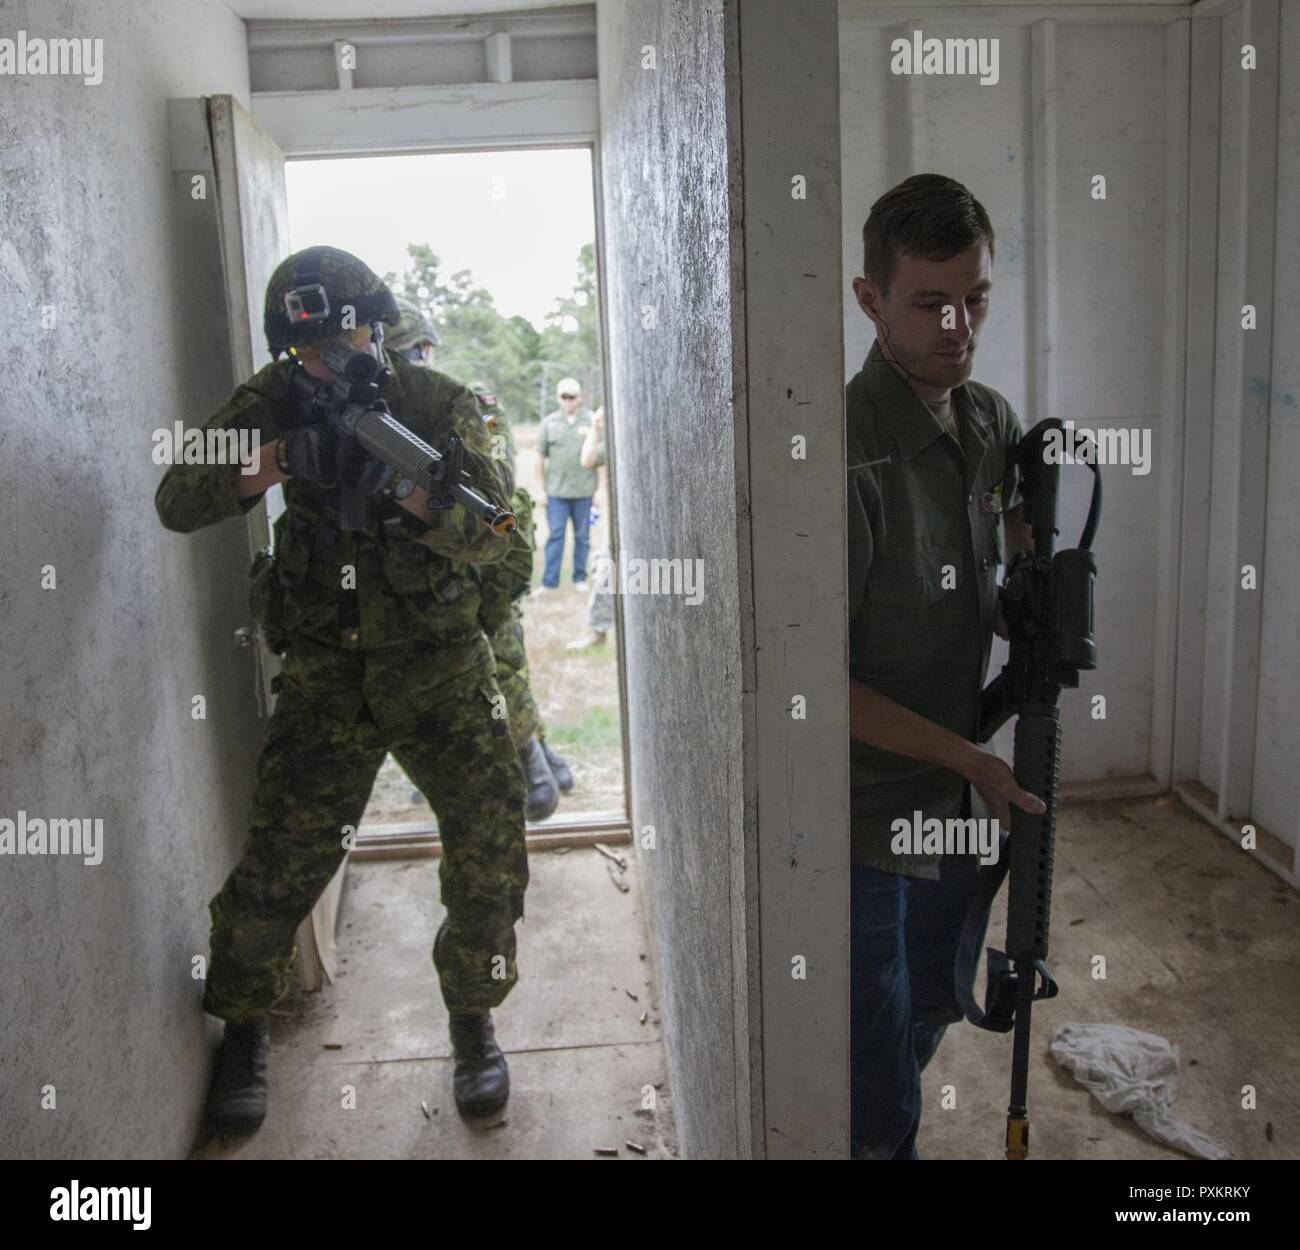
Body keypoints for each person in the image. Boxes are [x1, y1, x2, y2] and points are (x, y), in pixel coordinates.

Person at [155, 246, 527, 1134]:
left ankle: (473, 1021)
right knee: (279, 869)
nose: (331, 363)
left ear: (377, 326)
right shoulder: (272, 400)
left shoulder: (435, 404)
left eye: (347, 340)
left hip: (439, 669)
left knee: (488, 855)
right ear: (292, 351)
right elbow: (178, 497)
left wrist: (410, 493)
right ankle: (244, 1025)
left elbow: (500, 535)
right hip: (328, 675)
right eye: (311, 353)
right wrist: (277, 460)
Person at [845, 175, 1046, 1159]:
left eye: (977, 297)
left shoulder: (988, 422)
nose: (958, 324)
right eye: (930, 301)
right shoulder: (842, 460)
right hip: (865, 810)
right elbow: (820, 687)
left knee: (931, 1002)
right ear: (869, 299)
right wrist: (973, 760)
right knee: (873, 1090)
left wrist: (1038, 571)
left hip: (955, 797)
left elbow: (1012, 548)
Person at [537, 377, 598, 590]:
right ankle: (549, 582)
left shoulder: (591, 421)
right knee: (555, 536)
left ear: (579, 398)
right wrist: (541, 490)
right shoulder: (549, 423)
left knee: (582, 537)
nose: (568, 401)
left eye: (572, 397)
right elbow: (540, 458)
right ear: (558, 398)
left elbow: (600, 457)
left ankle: (580, 578)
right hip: (556, 493)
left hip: (584, 491)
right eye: (564, 397)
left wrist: (600, 492)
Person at [567, 405, 613, 651]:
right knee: (606, 568)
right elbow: (588, 460)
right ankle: (598, 631)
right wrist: (596, 429)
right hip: (622, 521)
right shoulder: (618, 438)